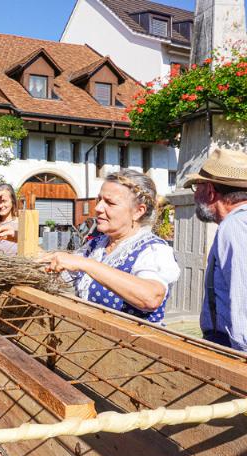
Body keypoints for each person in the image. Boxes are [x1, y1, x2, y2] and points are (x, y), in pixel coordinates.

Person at [38, 169, 180, 325]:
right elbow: (63, 277)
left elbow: (151, 297)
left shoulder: (153, 250)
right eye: (99, 200)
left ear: (138, 212)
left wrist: (87, 265)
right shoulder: (97, 245)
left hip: (134, 346)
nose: (98, 207)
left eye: (110, 203)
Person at [184, 148, 247, 350]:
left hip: (235, 350)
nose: (195, 196)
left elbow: (243, 299)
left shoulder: (235, 226)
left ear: (210, 190)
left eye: (197, 187)